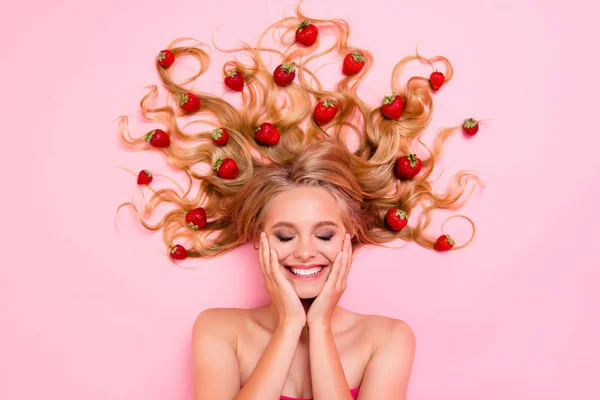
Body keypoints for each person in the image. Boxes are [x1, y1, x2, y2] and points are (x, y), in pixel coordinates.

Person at [116, 2, 483, 398]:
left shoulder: (389, 338)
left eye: (324, 236)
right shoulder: (219, 330)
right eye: (285, 236)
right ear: (259, 240)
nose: (305, 252)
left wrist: (320, 325)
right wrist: (291, 324)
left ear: (350, 236)